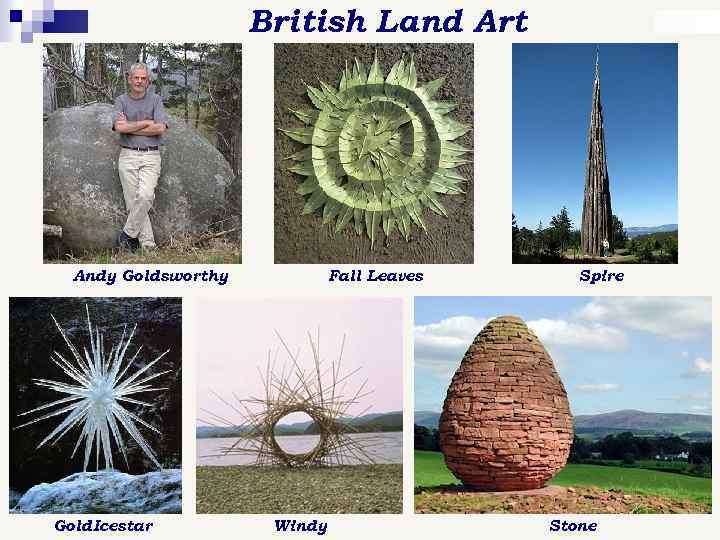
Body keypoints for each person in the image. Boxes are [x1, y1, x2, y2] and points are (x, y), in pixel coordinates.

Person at [111, 62, 169, 250]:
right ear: (129, 79)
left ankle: (126, 234)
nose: (139, 81)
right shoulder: (121, 100)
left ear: (148, 82)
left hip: (151, 156)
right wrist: (145, 122)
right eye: (136, 77)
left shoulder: (156, 100)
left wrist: (131, 127)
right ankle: (148, 245)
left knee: (144, 196)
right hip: (127, 156)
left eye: (143, 78)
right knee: (132, 201)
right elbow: (119, 128)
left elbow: (160, 128)